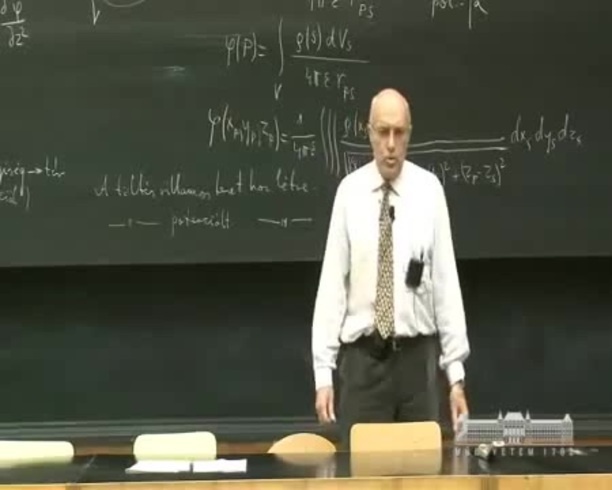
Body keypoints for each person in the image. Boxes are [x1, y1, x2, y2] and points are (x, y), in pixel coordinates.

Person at [311, 88, 470, 448]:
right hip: (362, 365)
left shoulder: (429, 192)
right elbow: (332, 287)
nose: (391, 145)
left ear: (409, 134)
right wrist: (323, 373)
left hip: (417, 365)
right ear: (369, 132)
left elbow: (446, 285)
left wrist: (455, 375)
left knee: (421, 469)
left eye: (399, 133)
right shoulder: (349, 194)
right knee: (361, 471)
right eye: (383, 132)